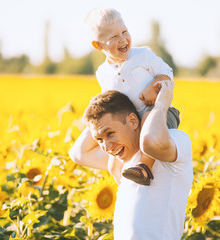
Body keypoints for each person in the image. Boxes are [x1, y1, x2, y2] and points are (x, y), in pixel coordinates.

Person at [68, 80, 193, 239]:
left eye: (110, 133)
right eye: (99, 139)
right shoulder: (122, 160)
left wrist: (161, 105)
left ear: (133, 120)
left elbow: (151, 141)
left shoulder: (176, 140)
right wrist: (111, 98)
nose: (106, 147)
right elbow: (78, 153)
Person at [84, 7, 180, 185]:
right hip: (133, 122)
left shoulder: (142, 55)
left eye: (124, 32)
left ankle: (144, 167)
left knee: (148, 136)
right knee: (114, 164)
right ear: (98, 45)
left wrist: (154, 86)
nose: (122, 39)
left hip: (161, 114)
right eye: (113, 37)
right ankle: (126, 189)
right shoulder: (103, 73)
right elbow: (110, 100)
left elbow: (166, 72)